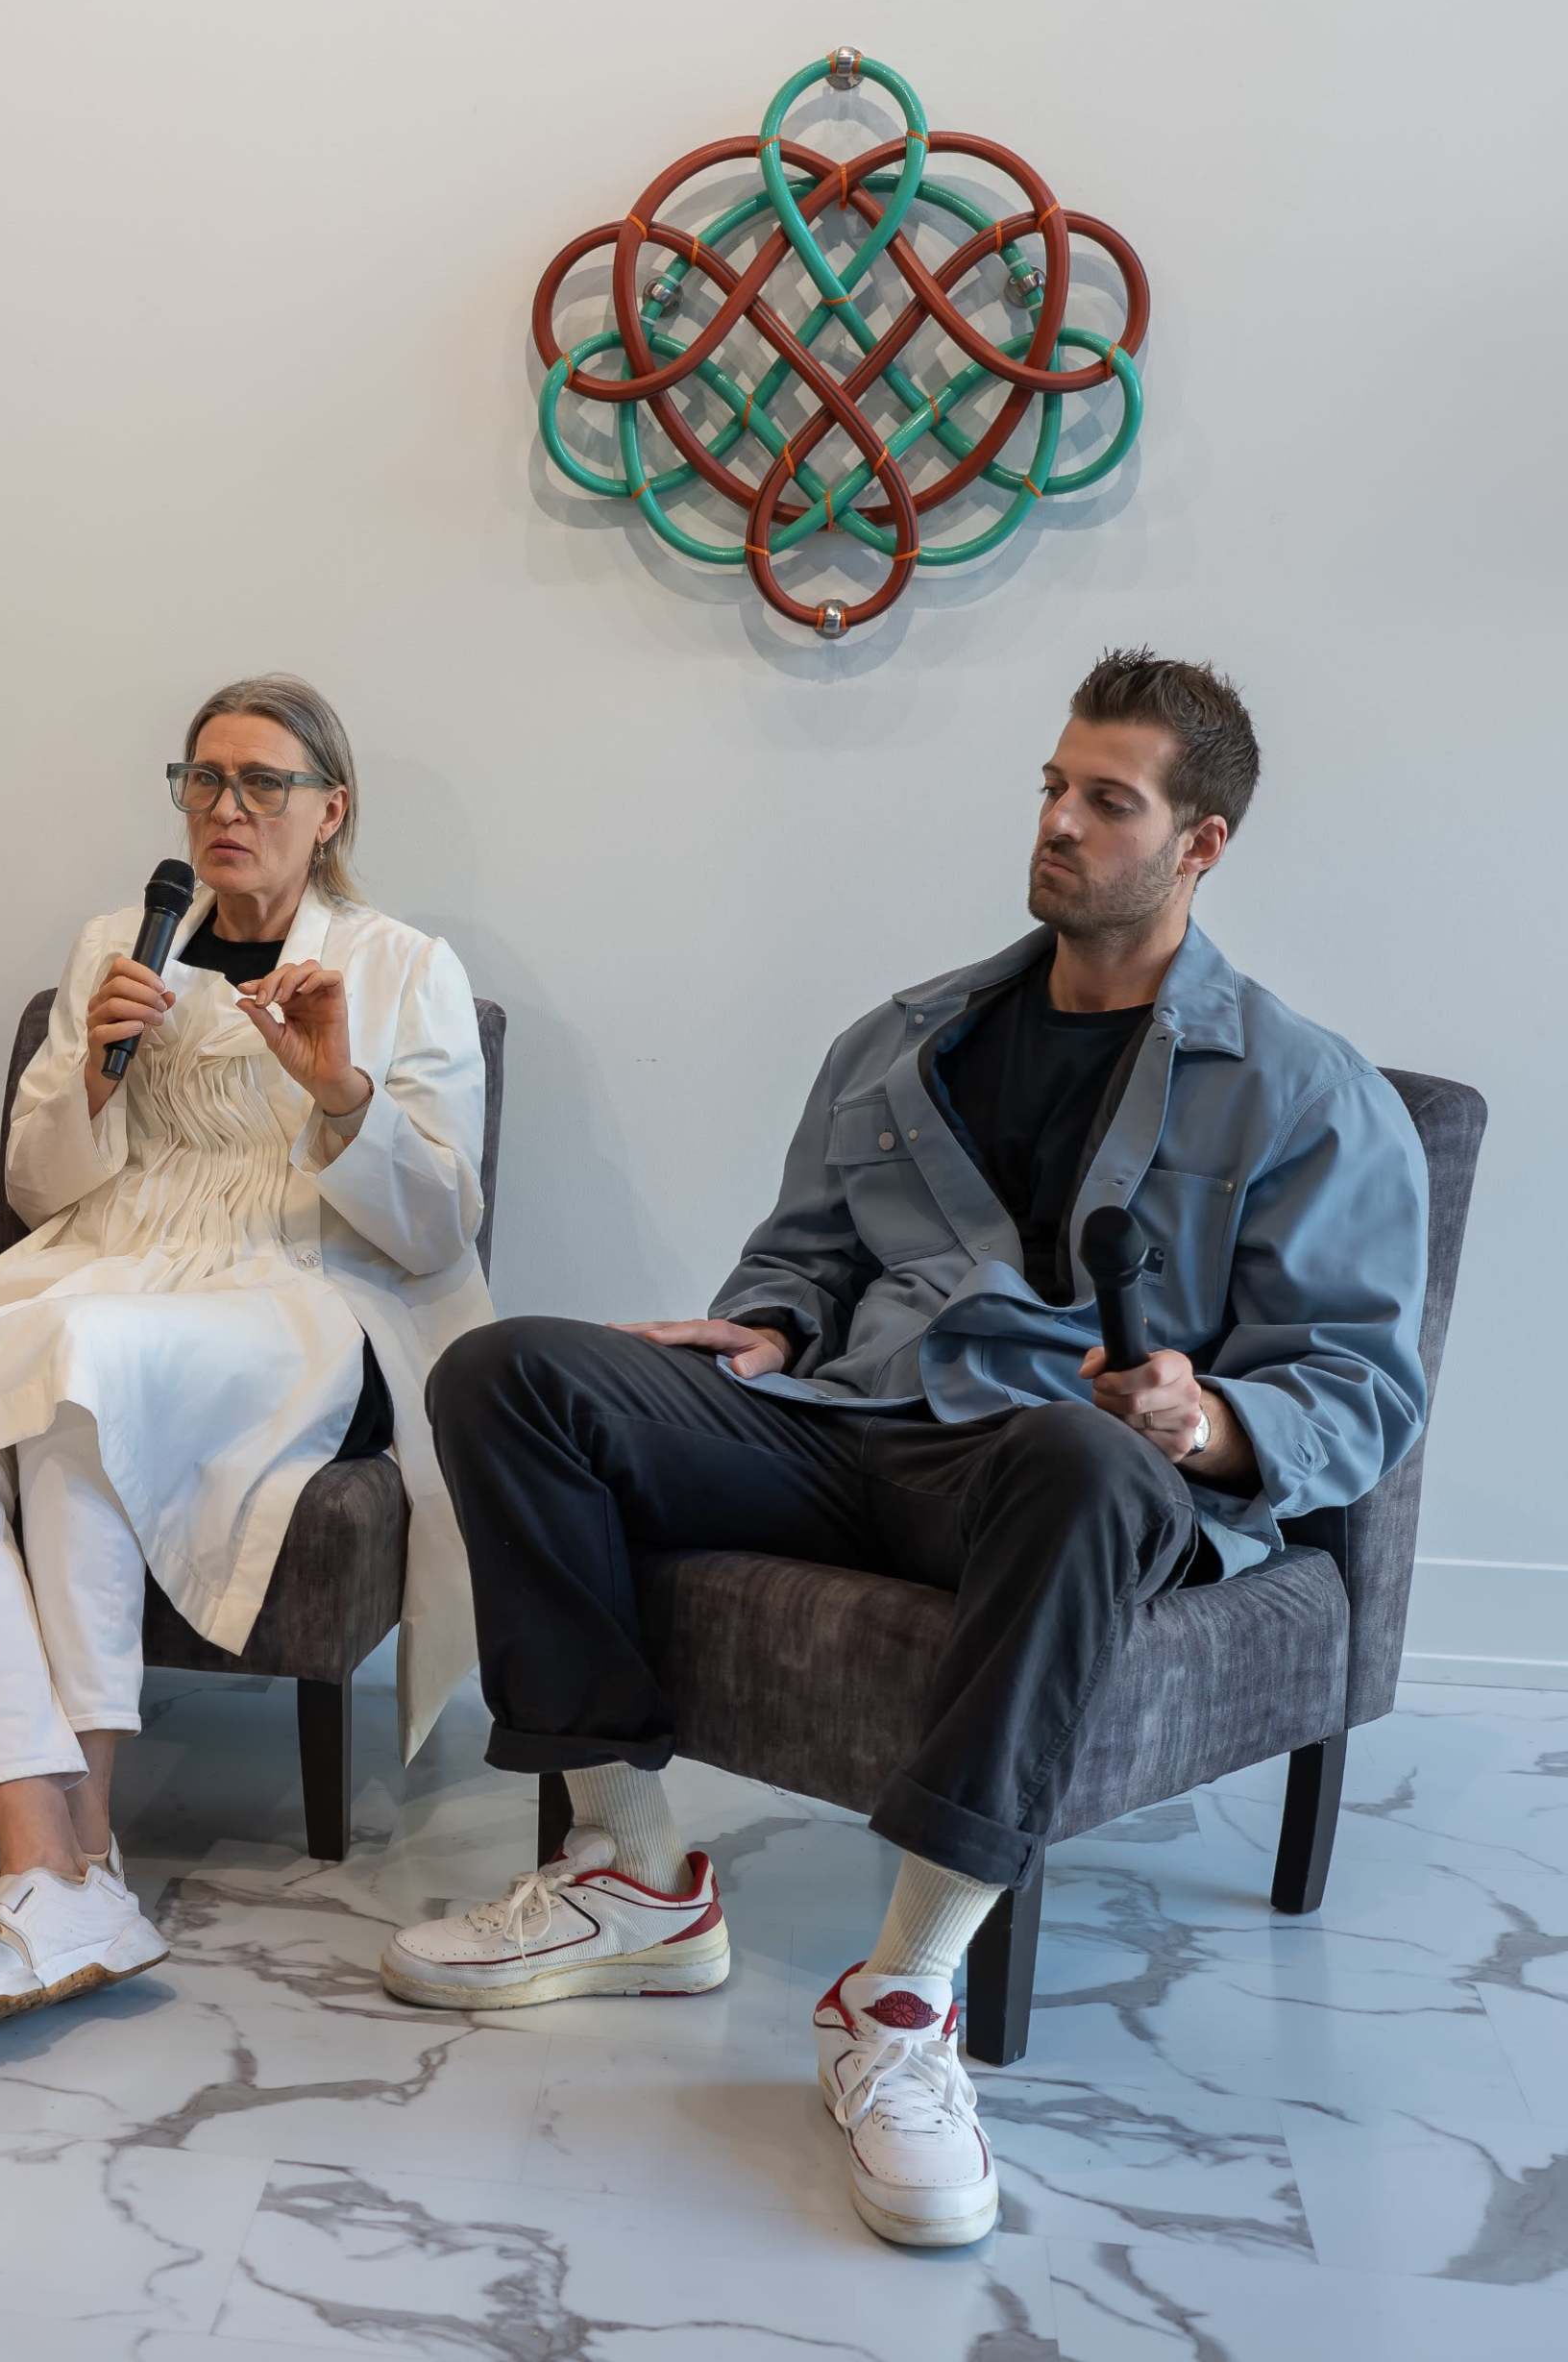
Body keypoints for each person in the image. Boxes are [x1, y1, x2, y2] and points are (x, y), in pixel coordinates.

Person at [387, 652, 1430, 2251]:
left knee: (1086, 1462)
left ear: (1200, 843)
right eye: (1053, 786)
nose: (1062, 822)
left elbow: (1359, 1383)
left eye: (1110, 799)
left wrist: (1210, 1420)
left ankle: (901, 1996)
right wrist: (772, 1330)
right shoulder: (908, 1036)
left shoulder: (1304, 1090)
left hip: (1055, 1472)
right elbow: (805, 1251)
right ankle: (642, 1871)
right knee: (508, 1371)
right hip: (853, 1425)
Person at [0, 674, 495, 2035]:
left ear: (330, 808)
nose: (226, 807)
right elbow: (42, 1177)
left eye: (264, 782)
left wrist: (339, 1089)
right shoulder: (121, 941)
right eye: (202, 778)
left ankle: (70, 1861)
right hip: (105, 1260)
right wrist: (102, 1074)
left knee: (81, 1366)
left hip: (301, 1289)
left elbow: (437, 1227)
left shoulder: (406, 967)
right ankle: (55, 1858)